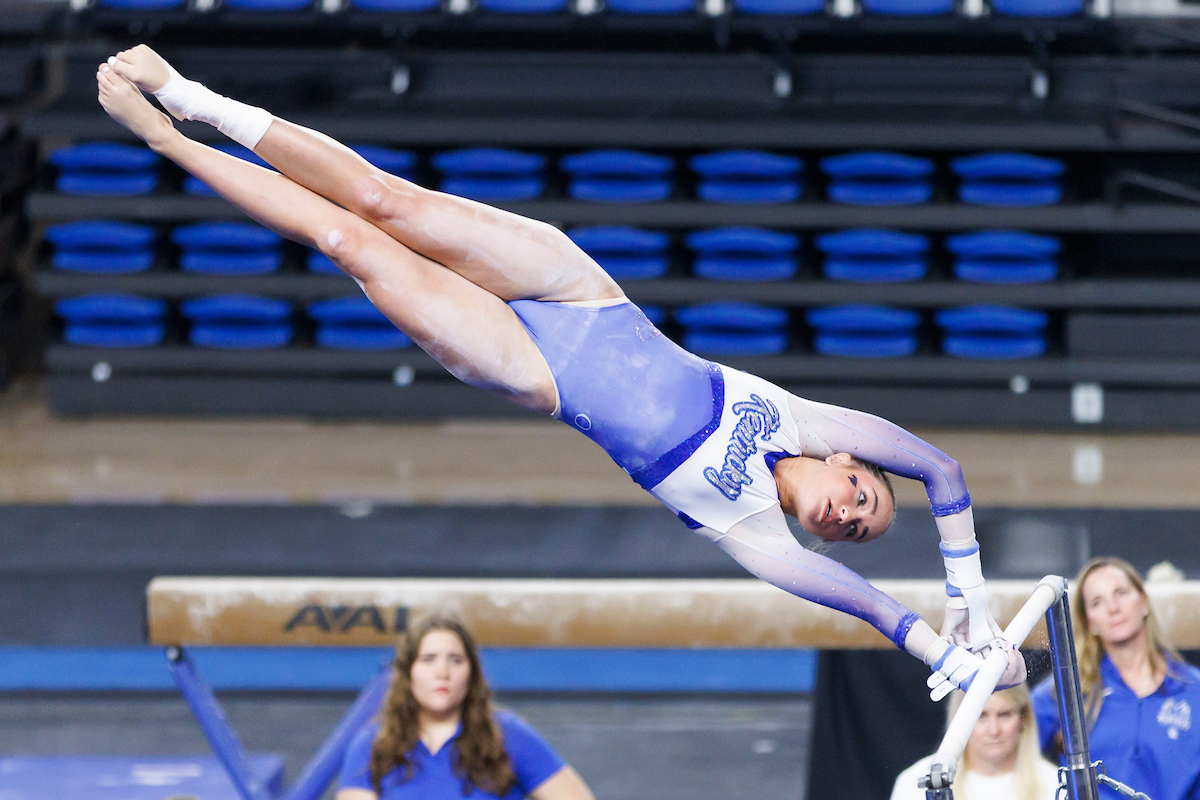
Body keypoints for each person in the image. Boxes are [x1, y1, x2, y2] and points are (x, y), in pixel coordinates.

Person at [94, 46, 1025, 699]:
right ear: (853, 469)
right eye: (863, 504)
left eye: (853, 533)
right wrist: (970, 603)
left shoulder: (752, 533)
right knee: (386, 199)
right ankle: (193, 95)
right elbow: (942, 470)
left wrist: (945, 648)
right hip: (586, 296)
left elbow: (866, 606)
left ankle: (166, 141)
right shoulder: (805, 423)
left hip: (537, 369)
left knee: (351, 243)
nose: (846, 520)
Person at [336, 613, 595, 800]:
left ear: (471, 674)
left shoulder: (507, 736)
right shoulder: (373, 745)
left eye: (455, 660)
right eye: (428, 660)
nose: (442, 672)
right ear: (408, 673)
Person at [1031, 557, 1200, 800]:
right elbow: (1005, 751)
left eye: (1121, 593)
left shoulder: (1193, 689)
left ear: (1143, 602)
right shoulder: (1066, 691)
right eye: (1097, 602)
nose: (1113, 607)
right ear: (1090, 622)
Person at [891, 684, 1059, 800]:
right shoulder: (917, 783)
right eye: (980, 715)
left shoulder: (1056, 785)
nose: (994, 730)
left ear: (1024, 718)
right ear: (960, 719)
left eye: (1005, 714)